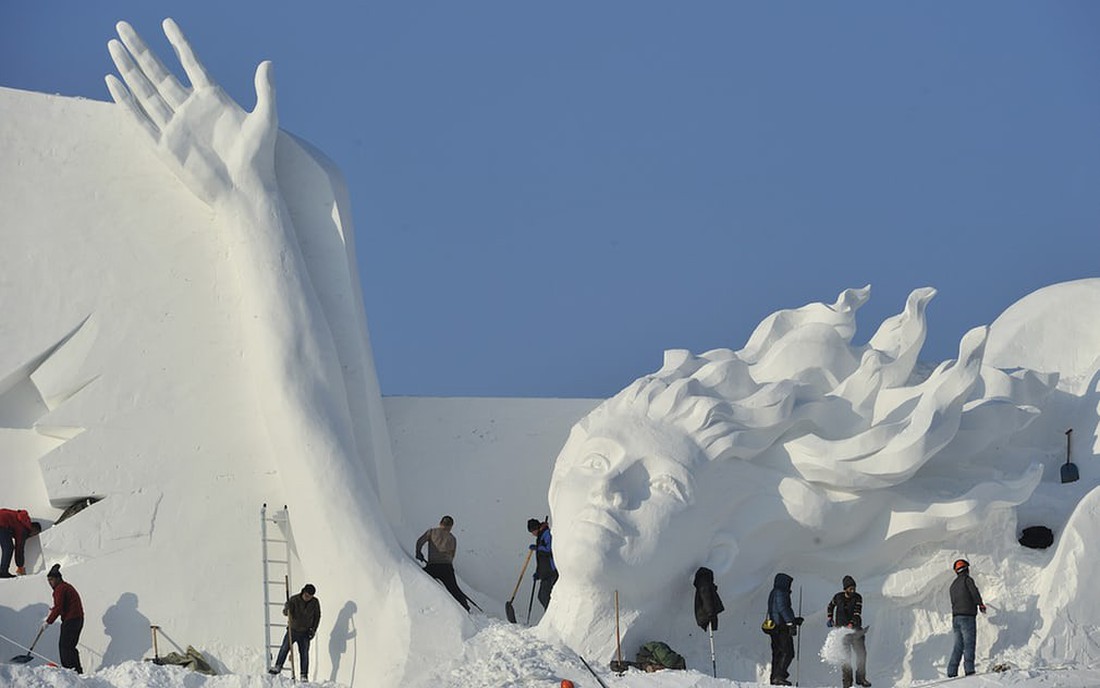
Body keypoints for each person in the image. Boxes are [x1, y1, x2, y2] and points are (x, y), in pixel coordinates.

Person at [415, 516, 470, 611]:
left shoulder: (432, 532)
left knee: (419, 579)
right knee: (454, 589)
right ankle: (465, 607)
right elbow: (452, 555)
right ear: (451, 526)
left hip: (432, 566)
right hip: (447, 568)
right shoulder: (452, 538)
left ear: (440, 523)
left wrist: (418, 553)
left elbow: (420, 542)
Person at [269, 583, 320, 679]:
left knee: (304, 654)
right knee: (284, 648)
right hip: (293, 630)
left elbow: (317, 617)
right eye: (306, 595)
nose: (307, 598)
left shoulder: (315, 603)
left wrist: (313, 630)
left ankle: (303, 675)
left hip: (305, 632)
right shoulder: (294, 600)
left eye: (310, 597)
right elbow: (285, 613)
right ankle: (278, 667)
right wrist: (287, 607)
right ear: (303, 592)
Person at [827, 575, 871, 688]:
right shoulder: (838, 597)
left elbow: (857, 613)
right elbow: (830, 606)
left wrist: (851, 624)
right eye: (850, 589)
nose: (853, 591)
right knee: (846, 658)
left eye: (854, 588)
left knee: (862, 655)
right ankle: (847, 683)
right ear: (845, 589)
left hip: (856, 632)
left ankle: (861, 678)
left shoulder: (858, 598)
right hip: (842, 634)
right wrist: (829, 617)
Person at [947, 558, 986, 678]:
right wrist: (980, 604)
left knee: (958, 645)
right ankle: (969, 670)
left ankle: (951, 671)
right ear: (966, 569)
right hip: (967, 617)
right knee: (969, 643)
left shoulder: (952, 585)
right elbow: (974, 592)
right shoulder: (967, 580)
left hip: (956, 618)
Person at [45, 564, 84, 673]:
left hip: (71, 620)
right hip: (78, 619)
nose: (50, 583)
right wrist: (54, 610)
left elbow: (59, 607)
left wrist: (48, 621)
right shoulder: (66, 587)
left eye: (51, 579)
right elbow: (62, 605)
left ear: (58, 578)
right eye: (48, 580)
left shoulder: (60, 589)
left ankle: (69, 671)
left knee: (64, 647)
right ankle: (77, 670)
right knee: (71, 647)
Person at [766, 572, 803, 686]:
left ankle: (775, 676)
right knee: (787, 652)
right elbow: (783, 609)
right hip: (781, 628)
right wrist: (791, 622)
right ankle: (779, 676)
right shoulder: (781, 592)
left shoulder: (774, 592)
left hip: (775, 627)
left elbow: (778, 610)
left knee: (778, 653)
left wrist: (794, 620)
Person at [0, 508, 42, 578]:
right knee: (8, 548)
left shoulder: (21, 519)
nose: (33, 536)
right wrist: (20, 566)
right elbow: (19, 548)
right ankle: (3, 572)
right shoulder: (23, 529)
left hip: (3, 521)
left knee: (7, 547)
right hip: (2, 523)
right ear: (34, 529)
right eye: (35, 533)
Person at [527, 518, 558, 609]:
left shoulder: (547, 534)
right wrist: (538, 573)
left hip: (551, 572)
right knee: (541, 597)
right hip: (545, 573)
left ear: (536, 528)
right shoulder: (540, 536)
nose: (532, 534)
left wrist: (538, 548)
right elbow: (541, 560)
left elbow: (549, 549)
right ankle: (550, 615)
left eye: (532, 531)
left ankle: (552, 616)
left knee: (546, 597)